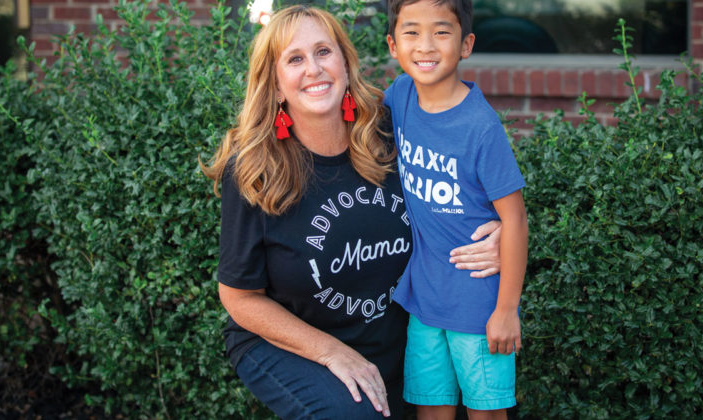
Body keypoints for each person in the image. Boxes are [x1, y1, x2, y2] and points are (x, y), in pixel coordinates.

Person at [201, 5, 503, 419]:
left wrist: (498, 235)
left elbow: (468, 185)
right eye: (294, 59)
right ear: (275, 85)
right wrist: (330, 353)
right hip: (291, 342)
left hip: (394, 338)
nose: (313, 69)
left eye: (323, 52)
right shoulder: (255, 168)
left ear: (345, 62)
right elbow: (239, 297)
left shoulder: (393, 130)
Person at [384, 0, 528, 419]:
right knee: (432, 410)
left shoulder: (480, 127)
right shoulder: (401, 96)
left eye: (441, 32)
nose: (425, 45)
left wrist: (506, 310)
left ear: (466, 45)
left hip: (478, 303)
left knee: (485, 413)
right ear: (394, 45)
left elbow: (515, 218)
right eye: (411, 32)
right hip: (424, 302)